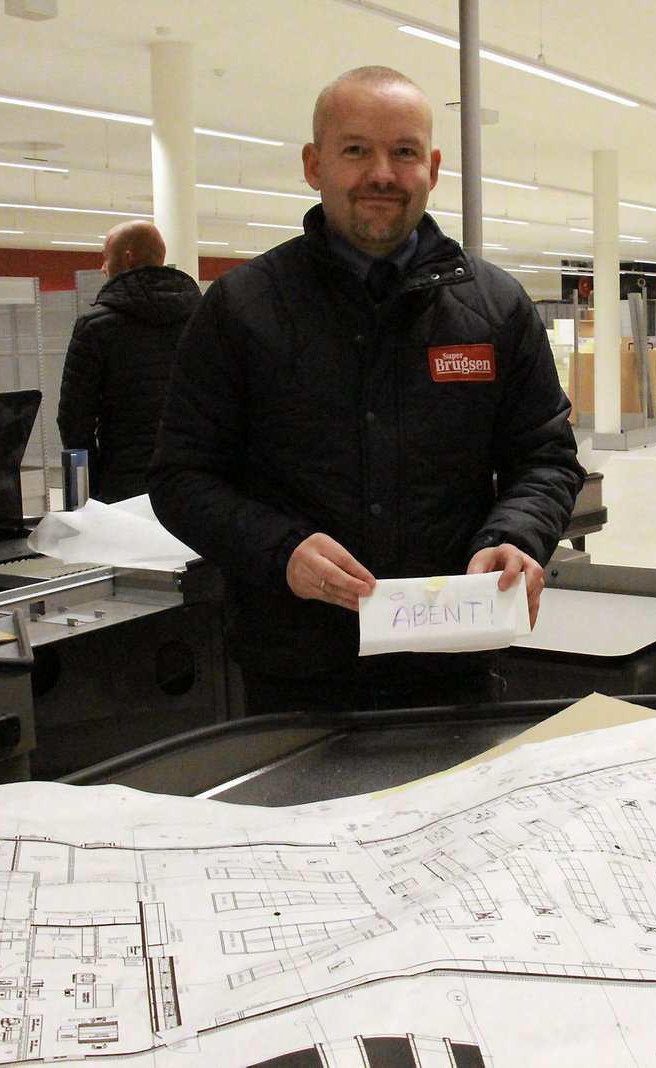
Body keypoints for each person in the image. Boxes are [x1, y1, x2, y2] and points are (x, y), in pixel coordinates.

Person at [149, 65, 584, 715]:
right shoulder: (243, 309)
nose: (382, 173)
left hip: (455, 667)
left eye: (404, 151)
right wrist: (281, 551)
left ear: (432, 168)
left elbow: (544, 456)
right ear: (313, 164)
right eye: (356, 149)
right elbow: (182, 477)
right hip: (295, 675)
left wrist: (518, 535)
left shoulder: (494, 309)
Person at [58, 220, 201, 503]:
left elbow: (74, 421)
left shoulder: (94, 327)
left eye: (105, 257)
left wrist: (95, 486)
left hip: (124, 485)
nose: (103, 268)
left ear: (127, 258)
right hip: (193, 478)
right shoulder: (202, 318)